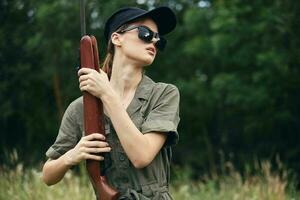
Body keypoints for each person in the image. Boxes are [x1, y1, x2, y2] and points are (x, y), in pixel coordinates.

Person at [42, 6, 180, 200]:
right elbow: (48, 175)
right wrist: (72, 155)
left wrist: (106, 94)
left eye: (159, 39)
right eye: (146, 33)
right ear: (117, 38)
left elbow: (141, 156)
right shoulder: (80, 108)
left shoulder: (164, 94)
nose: (155, 41)